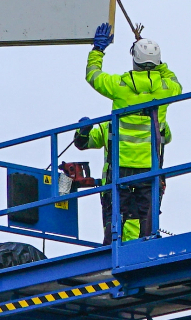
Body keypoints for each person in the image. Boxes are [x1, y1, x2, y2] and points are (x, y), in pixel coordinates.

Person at [73, 22, 180, 242]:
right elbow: (174, 80)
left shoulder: (119, 86)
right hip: (149, 170)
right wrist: (155, 59)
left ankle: (113, 252)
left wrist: (97, 51)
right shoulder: (167, 89)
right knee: (148, 224)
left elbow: (93, 75)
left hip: (119, 170)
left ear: (134, 60)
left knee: (115, 224)